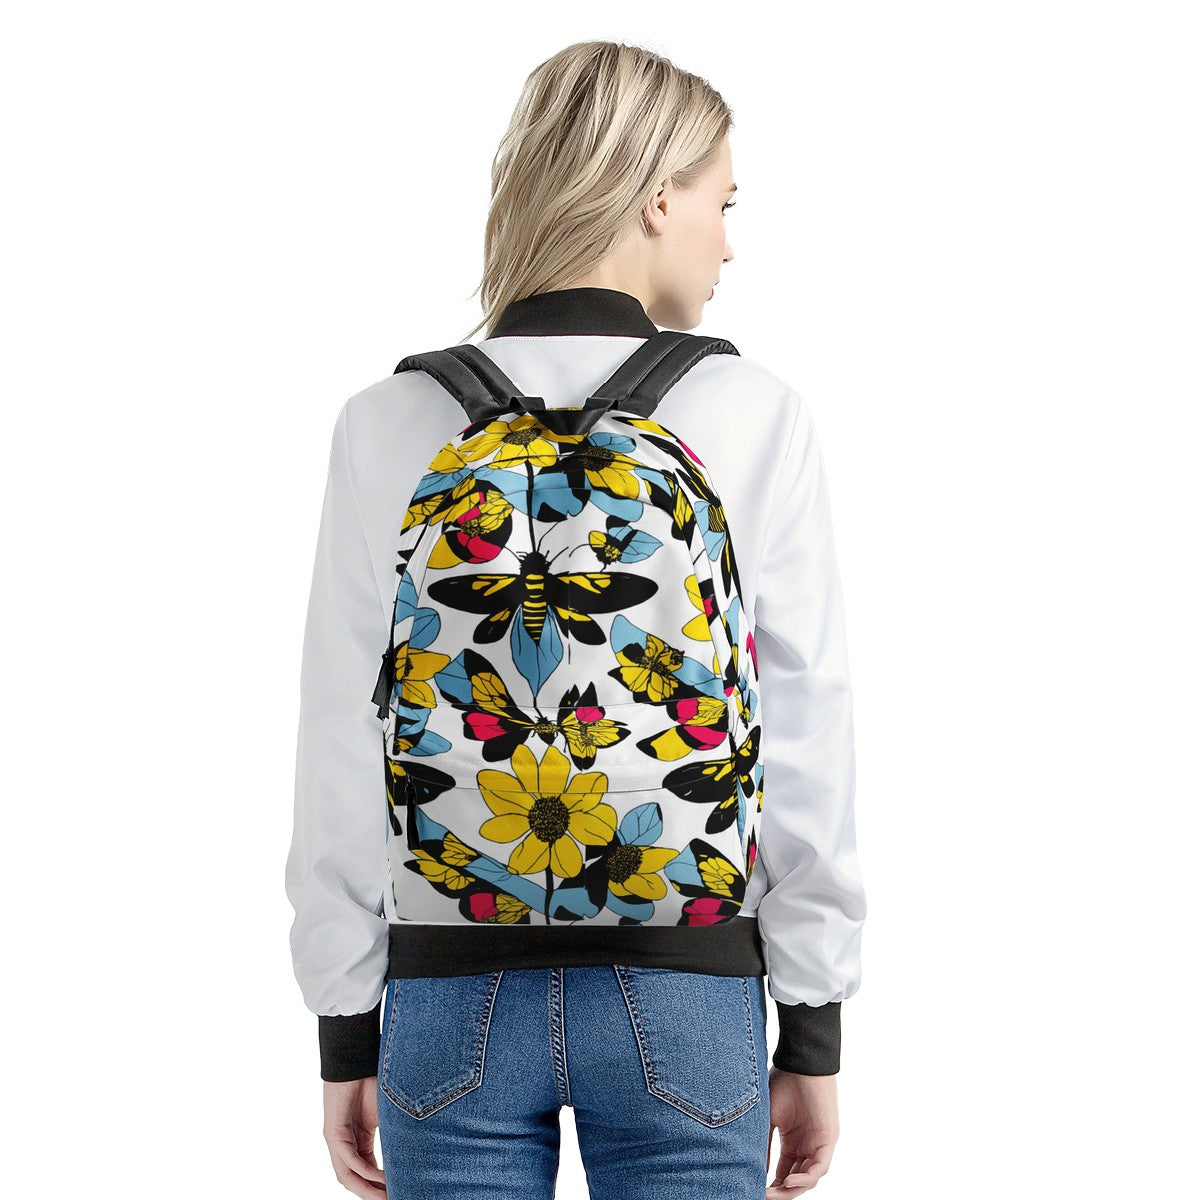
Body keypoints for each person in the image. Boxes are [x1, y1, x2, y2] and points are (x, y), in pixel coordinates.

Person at [285, 38, 867, 1200]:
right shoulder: (753, 412)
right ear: (658, 200)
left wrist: (345, 1026)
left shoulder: (387, 419)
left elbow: (341, 737)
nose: (728, 243)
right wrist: (812, 1026)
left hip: (448, 989)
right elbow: (807, 731)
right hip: (689, 986)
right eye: (722, 204)